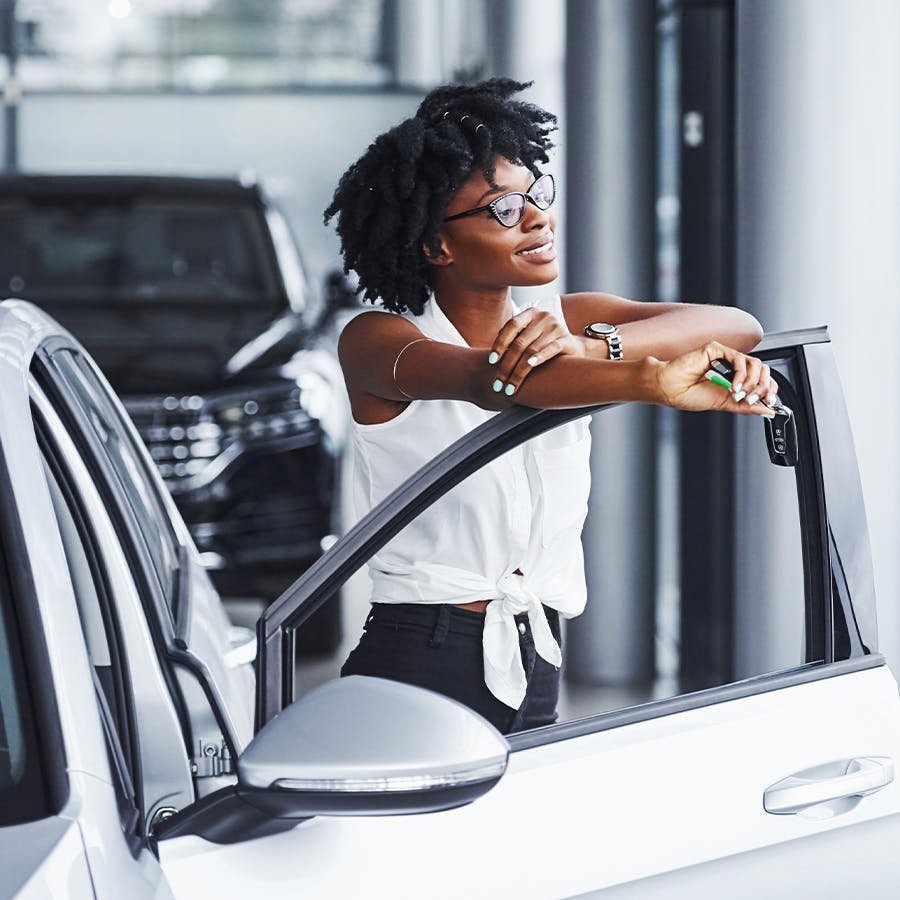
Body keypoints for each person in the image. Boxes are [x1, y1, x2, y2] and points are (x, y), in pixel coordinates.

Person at [324, 78, 777, 735]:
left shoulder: (572, 321)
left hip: (538, 649)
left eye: (538, 194)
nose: (537, 217)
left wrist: (596, 344)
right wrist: (647, 381)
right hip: (421, 655)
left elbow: (739, 325)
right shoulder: (381, 341)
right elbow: (499, 384)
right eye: (504, 209)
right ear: (436, 245)